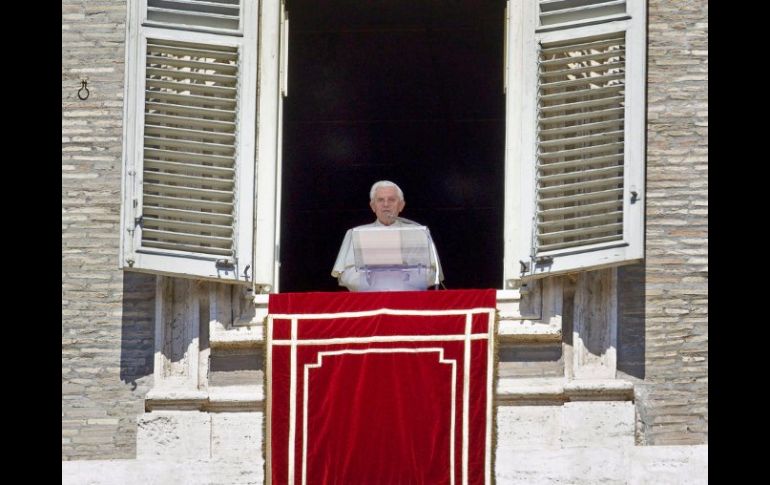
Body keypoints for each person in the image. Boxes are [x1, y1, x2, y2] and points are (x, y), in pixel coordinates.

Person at [331, 180, 444, 291]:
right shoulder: (355, 234)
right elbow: (345, 274)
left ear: (401, 205)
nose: (386, 204)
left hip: (409, 299)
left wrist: (404, 276)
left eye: (391, 200)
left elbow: (434, 273)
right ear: (372, 206)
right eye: (380, 200)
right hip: (369, 301)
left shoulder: (419, 233)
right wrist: (375, 279)